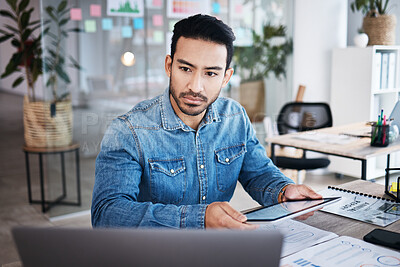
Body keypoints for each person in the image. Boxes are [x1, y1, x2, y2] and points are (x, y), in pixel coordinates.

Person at [91, 14, 321, 229]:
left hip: (217, 250)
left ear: (226, 77)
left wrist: (284, 190)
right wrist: (199, 219)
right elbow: (107, 214)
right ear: (169, 66)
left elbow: (258, 172)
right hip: (154, 253)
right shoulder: (128, 130)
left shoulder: (234, 116)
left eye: (210, 73)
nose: (195, 86)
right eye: (185, 69)